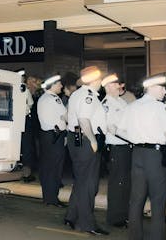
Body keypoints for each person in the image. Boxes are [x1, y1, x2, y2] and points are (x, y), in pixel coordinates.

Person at [117, 73, 166, 240]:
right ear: (152, 87)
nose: (165, 92)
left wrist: (135, 139)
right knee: (158, 200)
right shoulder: (159, 107)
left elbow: (119, 130)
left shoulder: (132, 106)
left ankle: (135, 237)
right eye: (163, 88)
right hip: (155, 156)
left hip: (137, 154)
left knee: (136, 199)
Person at [64, 66, 109, 236]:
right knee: (88, 184)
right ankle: (87, 223)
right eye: (99, 79)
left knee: (81, 180)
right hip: (85, 141)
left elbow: (67, 116)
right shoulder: (88, 96)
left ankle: (71, 216)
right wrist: (93, 140)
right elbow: (84, 120)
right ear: (94, 80)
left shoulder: (76, 94)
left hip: (75, 138)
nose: (101, 82)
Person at [101, 73, 131, 228]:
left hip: (126, 147)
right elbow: (111, 128)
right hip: (117, 147)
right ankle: (115, 217)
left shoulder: (121, 102)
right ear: (107, 86)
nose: (120, 86)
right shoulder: (107, 104)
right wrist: (131, 138)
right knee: (117, 183)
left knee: (125, 183)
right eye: (116, 84)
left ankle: (124, 214)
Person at [37, 74, 67, 207]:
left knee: (48, 168)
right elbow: (66, 116)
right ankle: (52, 199)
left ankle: (48, 197)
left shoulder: (43, 98)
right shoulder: (54, 99)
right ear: (53, 85)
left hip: (47, 136)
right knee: (54, 168)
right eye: (59, 84)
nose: (61, 86)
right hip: (55, 136)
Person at [21, 73, 40, 182]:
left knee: (23, 146)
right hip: (27, 119)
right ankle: (27, 174)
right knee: (28, 147)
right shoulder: (25, 89)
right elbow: (31, 103)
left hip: (18, 120)